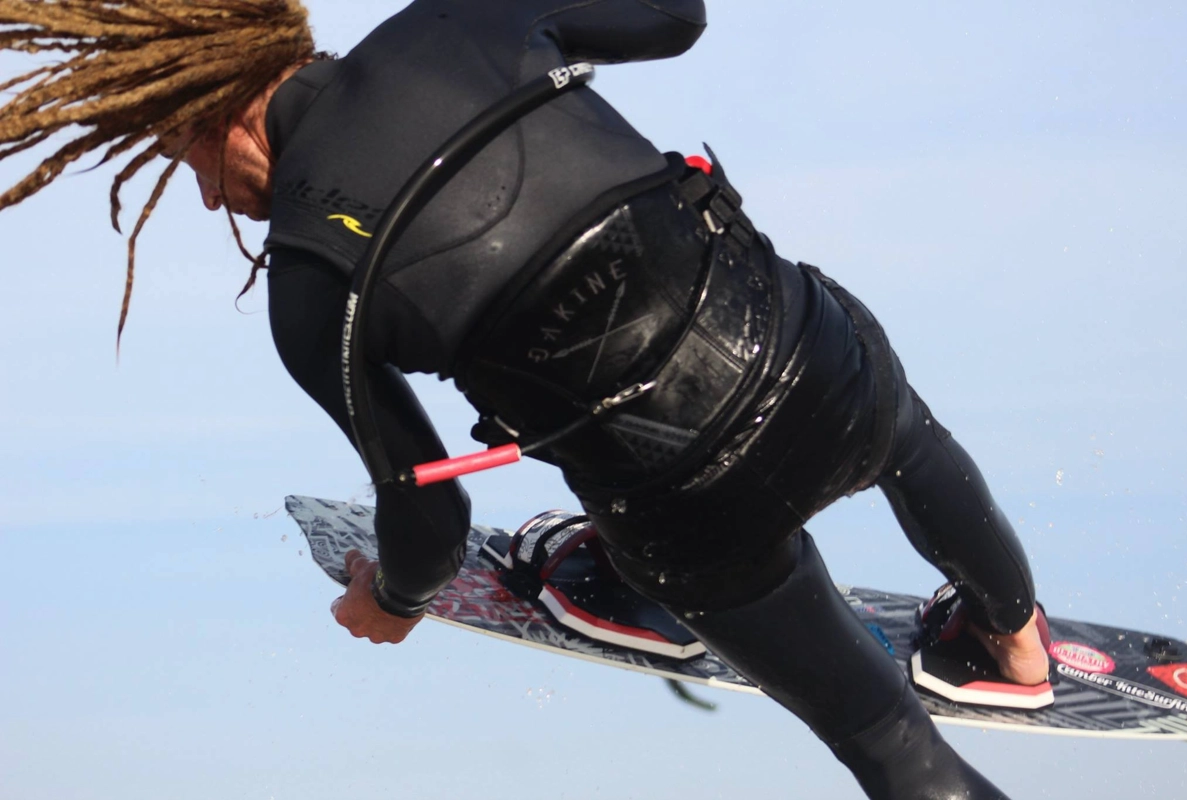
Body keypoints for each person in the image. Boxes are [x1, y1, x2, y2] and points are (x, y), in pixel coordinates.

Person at [0, 2, 1050, 798]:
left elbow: (432, 514)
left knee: (890, 741)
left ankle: (623, 566)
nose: (201, 192)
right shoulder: (457, 21)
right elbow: (676, 14)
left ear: (214, 109)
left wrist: (396, 597)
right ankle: (1015, 633)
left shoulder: (311, 282)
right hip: (815, 361)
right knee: (903, 429)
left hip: (691, 515)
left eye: (180, 153)